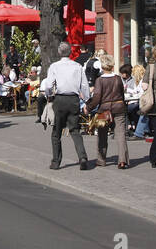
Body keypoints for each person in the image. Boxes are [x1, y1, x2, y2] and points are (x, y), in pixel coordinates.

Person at [39, 41, 91, 170]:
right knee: (75, 130)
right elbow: (84, 86)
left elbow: (49, 85)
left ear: (59, 52)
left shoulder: (54, 66)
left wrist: (49, 96)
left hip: (60, 99)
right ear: (70, 52)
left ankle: (56, 161)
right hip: (73, 99)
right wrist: (86, 100)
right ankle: (82, 157)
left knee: (56, 132)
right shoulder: (77, 66)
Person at [85, 53, 129, 167]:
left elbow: (97, 98)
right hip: (119, 107)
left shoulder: (100, 80)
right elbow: (121, 94)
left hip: (104, 110)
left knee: (102, 135)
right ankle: (122, 160)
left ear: (102, 66)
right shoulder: (118, 78)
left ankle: (101, 159)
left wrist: (88, 107)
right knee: (121, 134)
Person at [129, 63, 150, 139]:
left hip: (145, 102)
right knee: (135, 109)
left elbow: (141, 92)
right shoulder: (141, 80)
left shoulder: (143, 81)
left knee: (139, 111)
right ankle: (145, 130)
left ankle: (139, 132)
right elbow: (136, 91)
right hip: (143, 101)